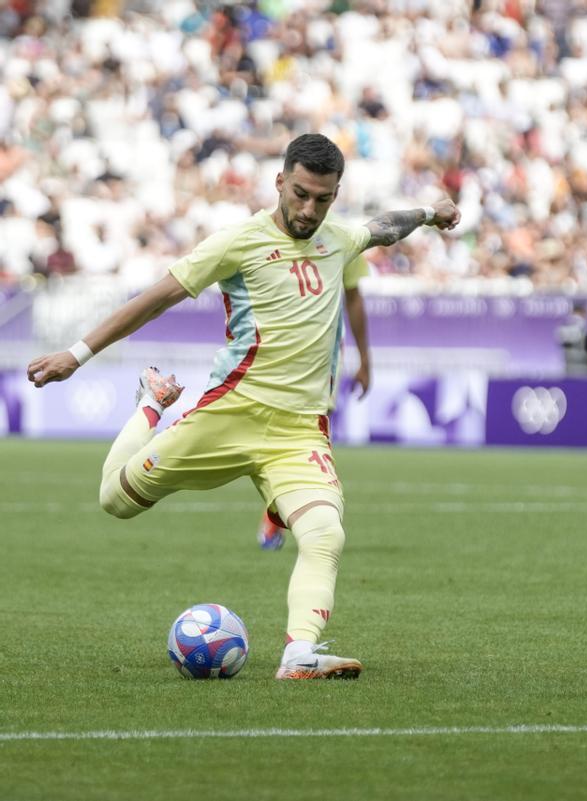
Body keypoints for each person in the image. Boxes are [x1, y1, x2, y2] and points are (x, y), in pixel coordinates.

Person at [26, 133, 461, 680]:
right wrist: (77, 353)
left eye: (322, 199)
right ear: (279, 181)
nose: (309, 209)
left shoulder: (339, 239)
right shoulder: (237, 242)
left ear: (335, 194)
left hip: (299, 432)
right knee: (116, 500)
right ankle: (150, 405)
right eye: (300, 194)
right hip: (230, 414)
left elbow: (384, 226)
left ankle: (299, 654)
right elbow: (155, 299)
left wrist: (429, 212)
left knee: (325, 533)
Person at [257, 290, 372, 551]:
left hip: (322, 350)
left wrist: (365, 360)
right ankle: (282, 514)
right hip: (281, 345)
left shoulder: (344, 247)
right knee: (282, 437)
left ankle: (292, 518)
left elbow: (352, 294)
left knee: (315, 433)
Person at [556, 300, 587, 378]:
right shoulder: (584, 328)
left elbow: (561, 344)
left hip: (568, 369)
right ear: (582, 312)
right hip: (586, 370)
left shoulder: (563, 327)